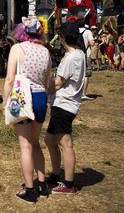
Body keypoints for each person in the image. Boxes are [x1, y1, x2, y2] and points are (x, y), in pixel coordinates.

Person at [4, 15, 52, 204]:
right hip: (41, 97)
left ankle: (30, 190)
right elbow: (48, 79)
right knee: (35, 142)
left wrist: (5, 102)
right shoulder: (45, 52)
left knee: (25, 145)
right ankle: (42, 184)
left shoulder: (17, 48)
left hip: (23, 97)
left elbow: (9, 79)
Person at [44, 21, 87, 195]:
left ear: (63, 37)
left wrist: (40, 89)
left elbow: (59, 83)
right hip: (62, 104)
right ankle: (55, 175)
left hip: (64, 105)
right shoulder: (79, 54)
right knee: (49, 140)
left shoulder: (71, 57)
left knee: (65, 144)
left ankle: (68, 184)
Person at [79, 24, 95, 101]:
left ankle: (76, 93)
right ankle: (83, 94)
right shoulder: (87, 31)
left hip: (76, 54)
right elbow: (92, 43)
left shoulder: (75, 30)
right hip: (86, 54)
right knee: (86, 74)